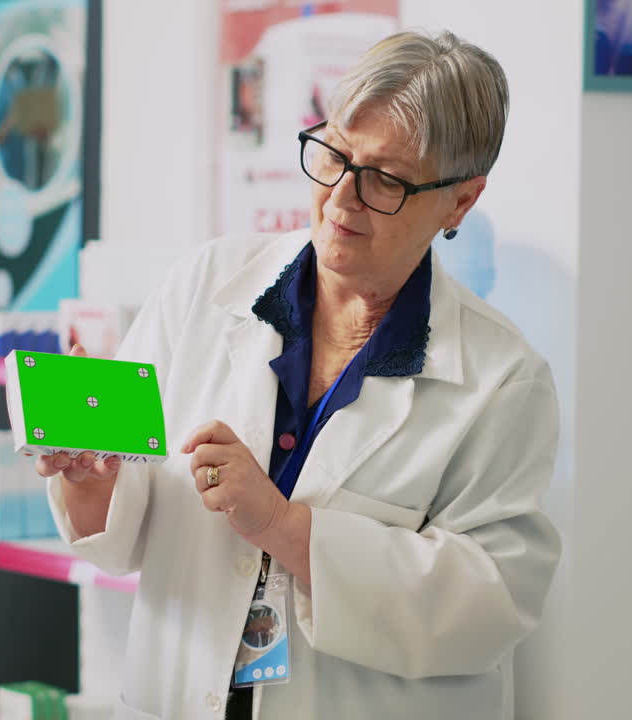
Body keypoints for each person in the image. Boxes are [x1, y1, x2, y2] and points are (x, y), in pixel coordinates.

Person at [36, 30, 561, 719]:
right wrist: (92, 480)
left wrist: (287, 528)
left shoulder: (500, 380)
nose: (341, 199)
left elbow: (491, 604)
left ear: (460, 202)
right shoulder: (206, 286)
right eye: (335, 155)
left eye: (386, 180)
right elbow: (122, 537)